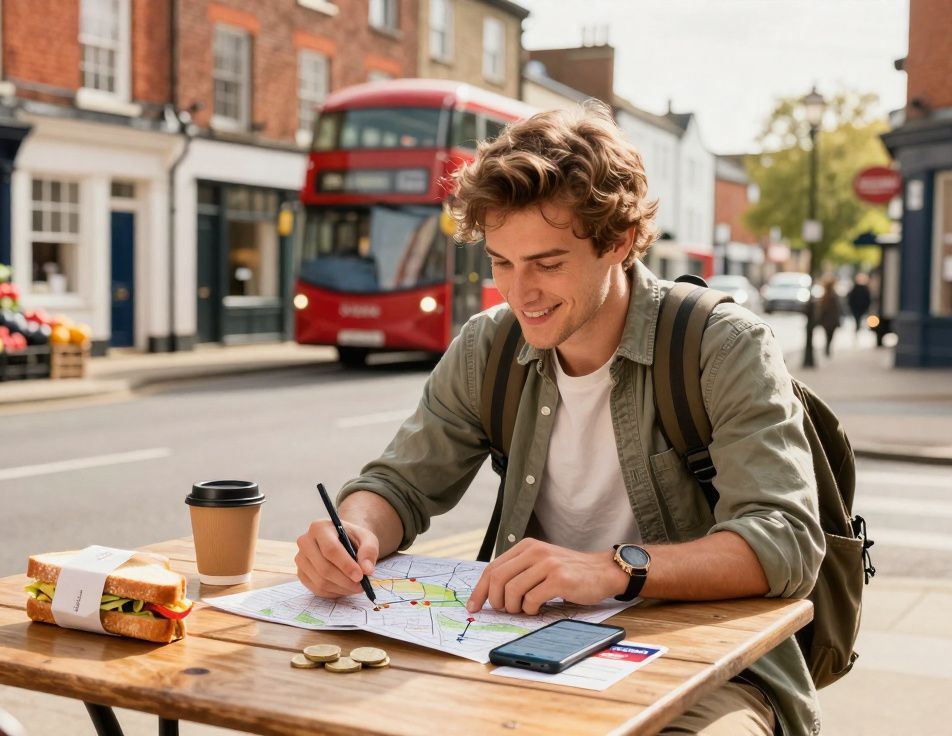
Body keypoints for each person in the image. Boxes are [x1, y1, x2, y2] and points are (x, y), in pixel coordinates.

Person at [294, 103, 823, 736]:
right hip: (529, 656)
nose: (521, 293)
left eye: (547, 263)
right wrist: (354, 530)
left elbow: (785, 540)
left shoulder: (722, 345)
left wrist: (611, 570)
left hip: (710, 672)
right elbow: (399, 485)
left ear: (619, 242)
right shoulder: (487, 345)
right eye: (501, 263)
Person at [817, 276, 843, 358]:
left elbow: (821, 309)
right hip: (831, 320)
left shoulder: (825, 296)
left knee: (827, 335)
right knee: (830, 335)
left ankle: (827, 347)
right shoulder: (832, 296)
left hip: (827, 320)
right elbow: (838, 309)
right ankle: (828, 348)